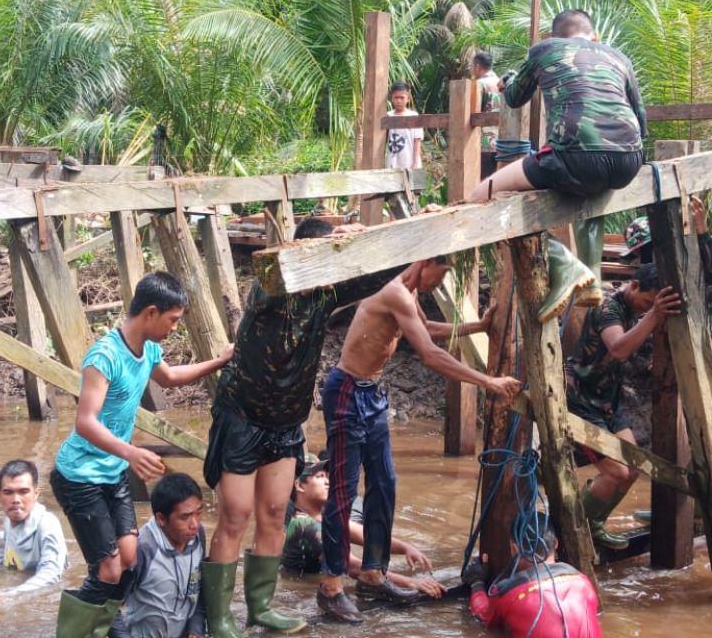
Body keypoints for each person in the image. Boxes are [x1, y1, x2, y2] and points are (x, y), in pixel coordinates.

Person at [202, 217, 397, 638]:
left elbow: (382, 271)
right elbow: (279, 269)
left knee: (274, 513)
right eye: (327, 256)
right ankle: (218, 618)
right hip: (242, 415)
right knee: (235, 514)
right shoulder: (270, 289)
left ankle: (262, 607)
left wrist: (369, 237)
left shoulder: (326, 296)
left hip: (286, 422)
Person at [317, 256, 522, 623]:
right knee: (344, 492)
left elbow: (428, 331)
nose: (439, 281)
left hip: (371, 393)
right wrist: (487, 381)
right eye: (440, 273)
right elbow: (429, 354)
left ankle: (372, 574)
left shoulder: (408, 294)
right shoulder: (395, 291)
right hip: (347, 390)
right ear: (424, 262)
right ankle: (331, 587)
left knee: (384, 482)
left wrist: (479, 325)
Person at [51, 271, 234, 638]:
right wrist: (131, 452)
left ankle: (105, 626)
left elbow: (170, 378)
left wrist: (219, 361)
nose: (174, 328)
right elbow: (86, 422)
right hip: (79, 476)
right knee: (108, 569)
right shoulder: (104, 356)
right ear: (151, 312)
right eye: (173, 320)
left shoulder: (148, 350)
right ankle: (75, 632)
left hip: (112, 471)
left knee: (129, 560)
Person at [468, 9, 647, 322]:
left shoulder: (544, 50)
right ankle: (591, 281)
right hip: (628, 161)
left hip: (574, 156)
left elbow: (513, 97)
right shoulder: (619, 57)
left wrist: (509, 79)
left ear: (553, 37)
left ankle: (563, 263)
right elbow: (641, 122)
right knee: (591, 190)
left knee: (482, 194)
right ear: (595, 37)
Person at [567, 264, 681, 549]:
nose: (646, 309)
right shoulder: (608, 307)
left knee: (634, 466)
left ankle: (593, 523)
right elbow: (618, 348)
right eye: (645, 302)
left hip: (608, 401)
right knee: (616, 471)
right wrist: (654, 315)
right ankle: (572, 526)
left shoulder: (635, 311)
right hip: (580, 399)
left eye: (651, 306)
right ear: (634, 286)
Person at [282, 456, 444, 599]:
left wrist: (406, 548)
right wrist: (411, 583)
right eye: (319, 476)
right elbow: (352, 566)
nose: (328, 481)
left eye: (328, 476)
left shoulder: (327, 516)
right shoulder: (303, 525)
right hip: (303, 590)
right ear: (299, 485)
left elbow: (368, 537)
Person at [620, 196, 712, 375]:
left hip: (702, 328)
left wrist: (702, 232)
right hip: (664, 326)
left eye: (645, 252)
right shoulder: (651, 273)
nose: (644, 258)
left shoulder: (690, 261)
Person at [463, 513, 602, 638]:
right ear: (556, 544)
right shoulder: (584, 582)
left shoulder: (508, 594)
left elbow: (483, 616)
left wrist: (477, 583)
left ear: (514, 549)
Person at [0, 459, 67, 601]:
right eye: (8, 492)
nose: (16, 499)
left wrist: (8, 596)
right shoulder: (10, 521)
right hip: (18, 583)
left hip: (38, 599)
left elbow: (51, 574)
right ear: (0, 496)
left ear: (36, 494)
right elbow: (8, 538)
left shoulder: (47, 524)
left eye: (23, 492)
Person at [119, 474, 207, 638]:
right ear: (161, 518)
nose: (195, 524)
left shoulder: (197, 537)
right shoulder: (143, 549)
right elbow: (107, 608)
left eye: (199, 513)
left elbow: (200, 592)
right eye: (185, 517)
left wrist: (196, 630)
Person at [475, 52, 503, 179]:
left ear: (477, 66)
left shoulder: (480, 84)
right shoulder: (503, 83)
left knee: (484, 179)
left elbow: (473, 112)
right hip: (503, 141)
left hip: (484, 142)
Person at [385, 82, 424, 170]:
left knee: (416, 184)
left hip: (411, 162)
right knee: (392, 183)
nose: (399, 101)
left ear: (408, 99)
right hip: (392, 163)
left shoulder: (414, 116)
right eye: (396, 98)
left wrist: (416, 162)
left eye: (402, 98)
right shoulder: (388, 116)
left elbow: (417, 140)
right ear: (392, 99)